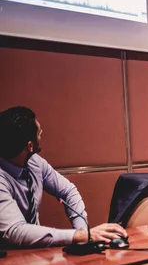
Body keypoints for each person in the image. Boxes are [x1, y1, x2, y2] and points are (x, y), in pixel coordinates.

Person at [0, 106, 127, 248]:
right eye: (39, 133)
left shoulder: (35, 162)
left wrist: (83, 233)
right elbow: (15, 232)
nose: (41, 135)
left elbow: (68, 192)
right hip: (8, 261)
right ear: (30, 145)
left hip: (36, 255)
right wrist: (77, 236)